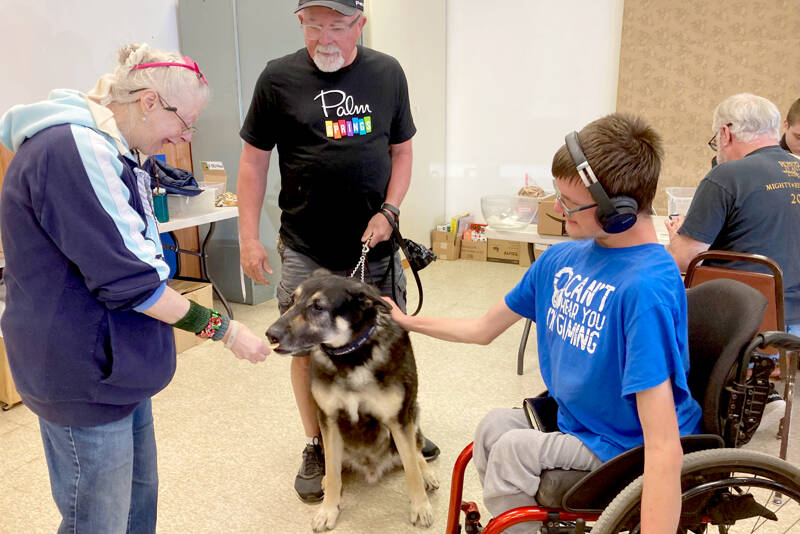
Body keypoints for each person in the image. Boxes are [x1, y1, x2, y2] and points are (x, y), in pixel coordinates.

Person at [0, 43, 270, 534]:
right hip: (82, 370)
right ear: (148, 102)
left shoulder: (119, 149)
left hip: (118, 364)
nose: (182, 138)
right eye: (183, 124)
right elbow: (135, 284)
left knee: (135, 503)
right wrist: (227, 333)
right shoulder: (74, 149)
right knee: (98, 518)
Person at [388, 113, 702, 534]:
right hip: (580, 418)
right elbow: (484, 329)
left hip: (623, 444)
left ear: (618, 212)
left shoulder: (644, 289)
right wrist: (407, 322)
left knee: (512, 451)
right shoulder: (561, 259)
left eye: (569, 204)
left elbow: (663, 445)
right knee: (492, 429)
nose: (557, 210)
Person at [236, 0, 438, 503]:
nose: (324, 37)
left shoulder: (387, 73)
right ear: (300, 22)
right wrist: (247, 236)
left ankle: (401, 428)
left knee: (390, 341)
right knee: (305, 347)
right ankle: (317, 445)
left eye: (337, 25)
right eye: (313, 25)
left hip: (375, 240)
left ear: (359, 25)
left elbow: (403, 151)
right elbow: (253, 163)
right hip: (306, 246)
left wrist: (390, 210)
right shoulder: (276, 79)